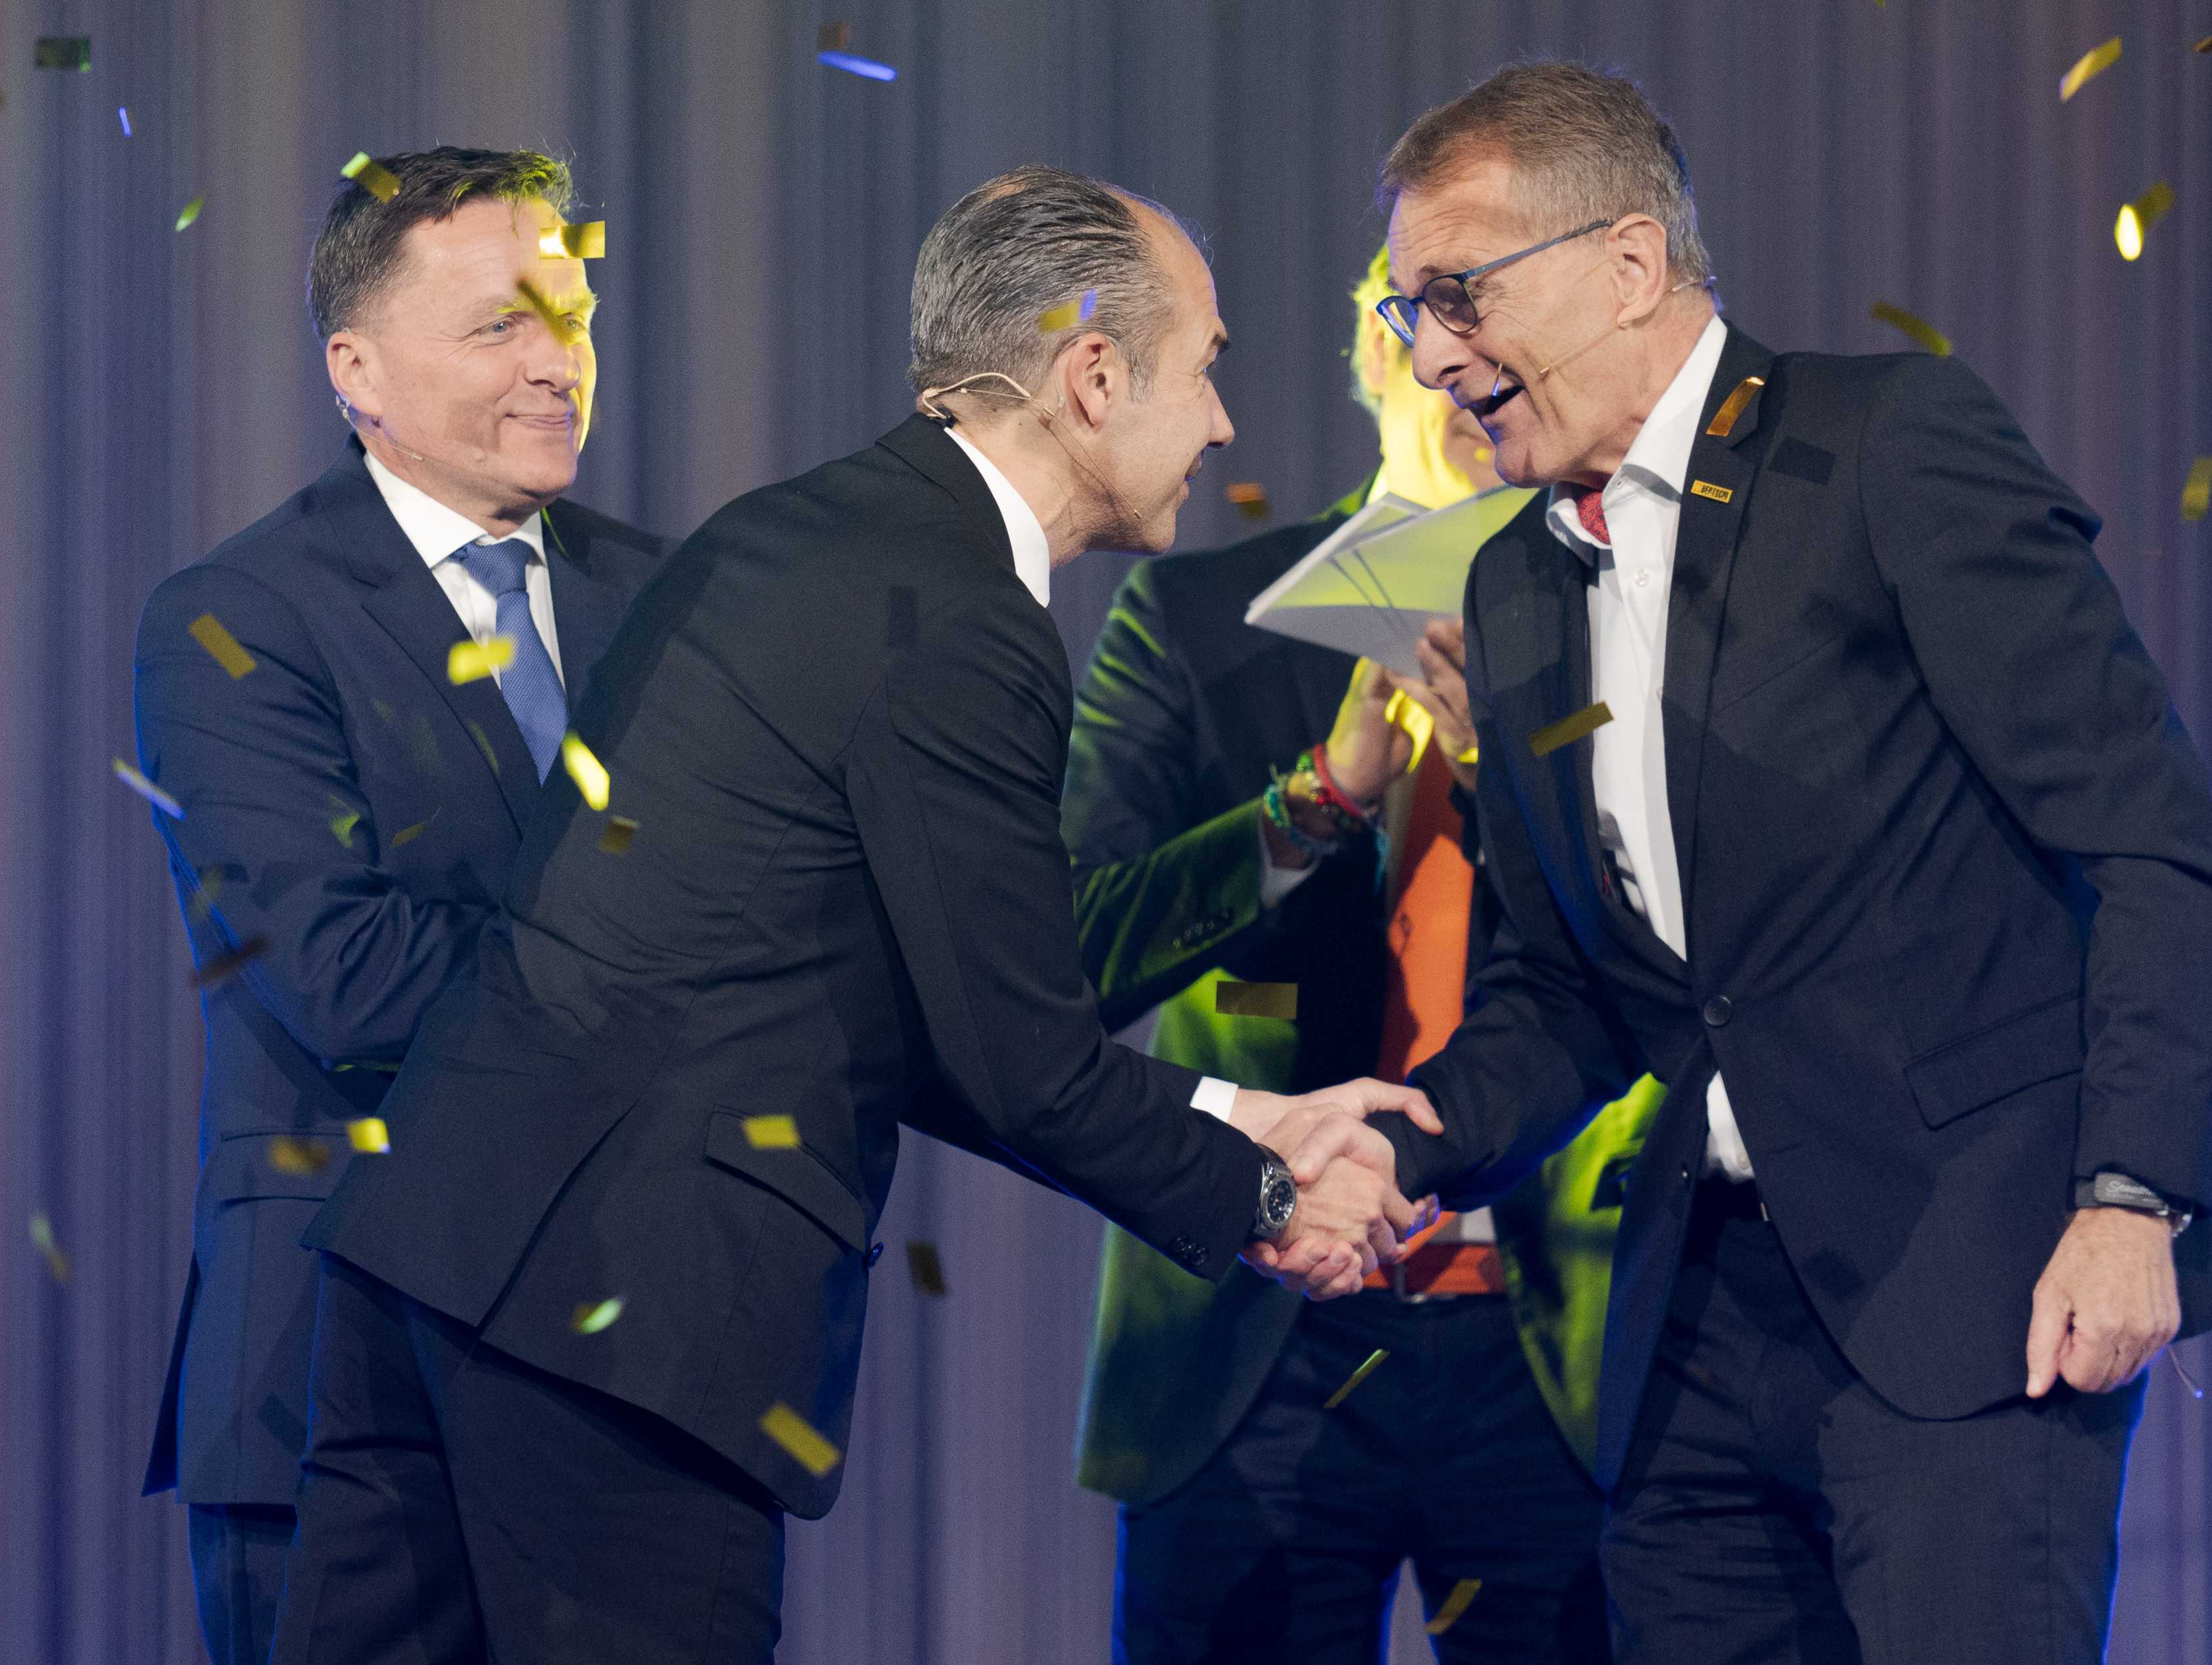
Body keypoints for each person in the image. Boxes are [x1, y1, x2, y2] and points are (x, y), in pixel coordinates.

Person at [268, 166, 1440, 1665]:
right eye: (1207, 367)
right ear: (1093, 377)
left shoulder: (803, 534)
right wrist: (1271, 1200)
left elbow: (917, 995)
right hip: (626, 1319)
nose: (1220, 423)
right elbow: (1025, 1055)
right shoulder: (962, 617)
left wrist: (1237, 1113)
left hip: (434, 1264)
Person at [1261, 62, 2212, 1664]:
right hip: (1698, 1332)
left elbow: (2153, 846)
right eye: (1405, 316)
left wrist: (2135, 1199)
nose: (1432, 357)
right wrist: (1406, 1146)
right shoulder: (1512, 583)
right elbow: (1570, 993)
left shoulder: (1886, 448)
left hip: (1977, 1294)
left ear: (1630, 265)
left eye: (1457, 296)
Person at [1065, 246, 1655, 1663]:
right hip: (1261, 1320)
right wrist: (1315, 801)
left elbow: (1678, 952)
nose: (1464, 374)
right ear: (1376, 358)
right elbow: (1070, 957)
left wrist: (1521, 779)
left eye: (1498, 334)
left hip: (1550, 1324)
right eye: (1423, 335)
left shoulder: (1635, 617)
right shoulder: (1208, 618)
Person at [129, 146, 664, 1665]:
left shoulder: (677, 596)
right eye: (500, 323)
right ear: (354, 367)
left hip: (629, 1386)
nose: (557, 362)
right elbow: (345, 977)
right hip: (334, 1383)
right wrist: (694, 981)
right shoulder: (237, 616)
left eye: (570, 315)